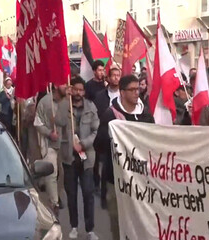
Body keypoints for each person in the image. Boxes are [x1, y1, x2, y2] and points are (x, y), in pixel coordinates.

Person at [93, 75, 154, 240]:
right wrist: (113, 134)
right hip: (116, 180)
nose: (136, 93)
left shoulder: (146, 115)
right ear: (122, 92)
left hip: (141, 181)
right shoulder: (110, 115)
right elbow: (98, 146)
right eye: (132, 90)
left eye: (138, 89)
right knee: (118, 223)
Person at [57, 77, 99, 240]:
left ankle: (90, 229)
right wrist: (63, 102)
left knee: (88, 193)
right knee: (72, 193)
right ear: (71, 89)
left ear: (84, 92)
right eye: (75, 89)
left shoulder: (91, 107)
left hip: (87, 157)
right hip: (69, 157)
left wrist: (84, 143)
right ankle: (74, 226)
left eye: (81, 90)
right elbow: (59, 121)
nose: (78, 93)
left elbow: (95, 130)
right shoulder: (64, 105)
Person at [34, 83, 68, 214]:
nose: (66, 86)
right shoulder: (45, 102)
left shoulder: (67, 101)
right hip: (50, 144)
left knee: (62, 174)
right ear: (55, 86)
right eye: (63, 83)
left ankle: (58, 195)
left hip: (65, 144)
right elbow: (38, 123)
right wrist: (49, 133)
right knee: (51, 174)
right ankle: (54, 204)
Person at [93, 67, 121, 207]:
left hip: (120, 136)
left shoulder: (123, 95)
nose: (116, 78)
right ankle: (105, 197)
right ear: (108, 78)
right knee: (106, 166)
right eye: (113, 75)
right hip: (105, 134)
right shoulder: (100, 95)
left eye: (118, 75)